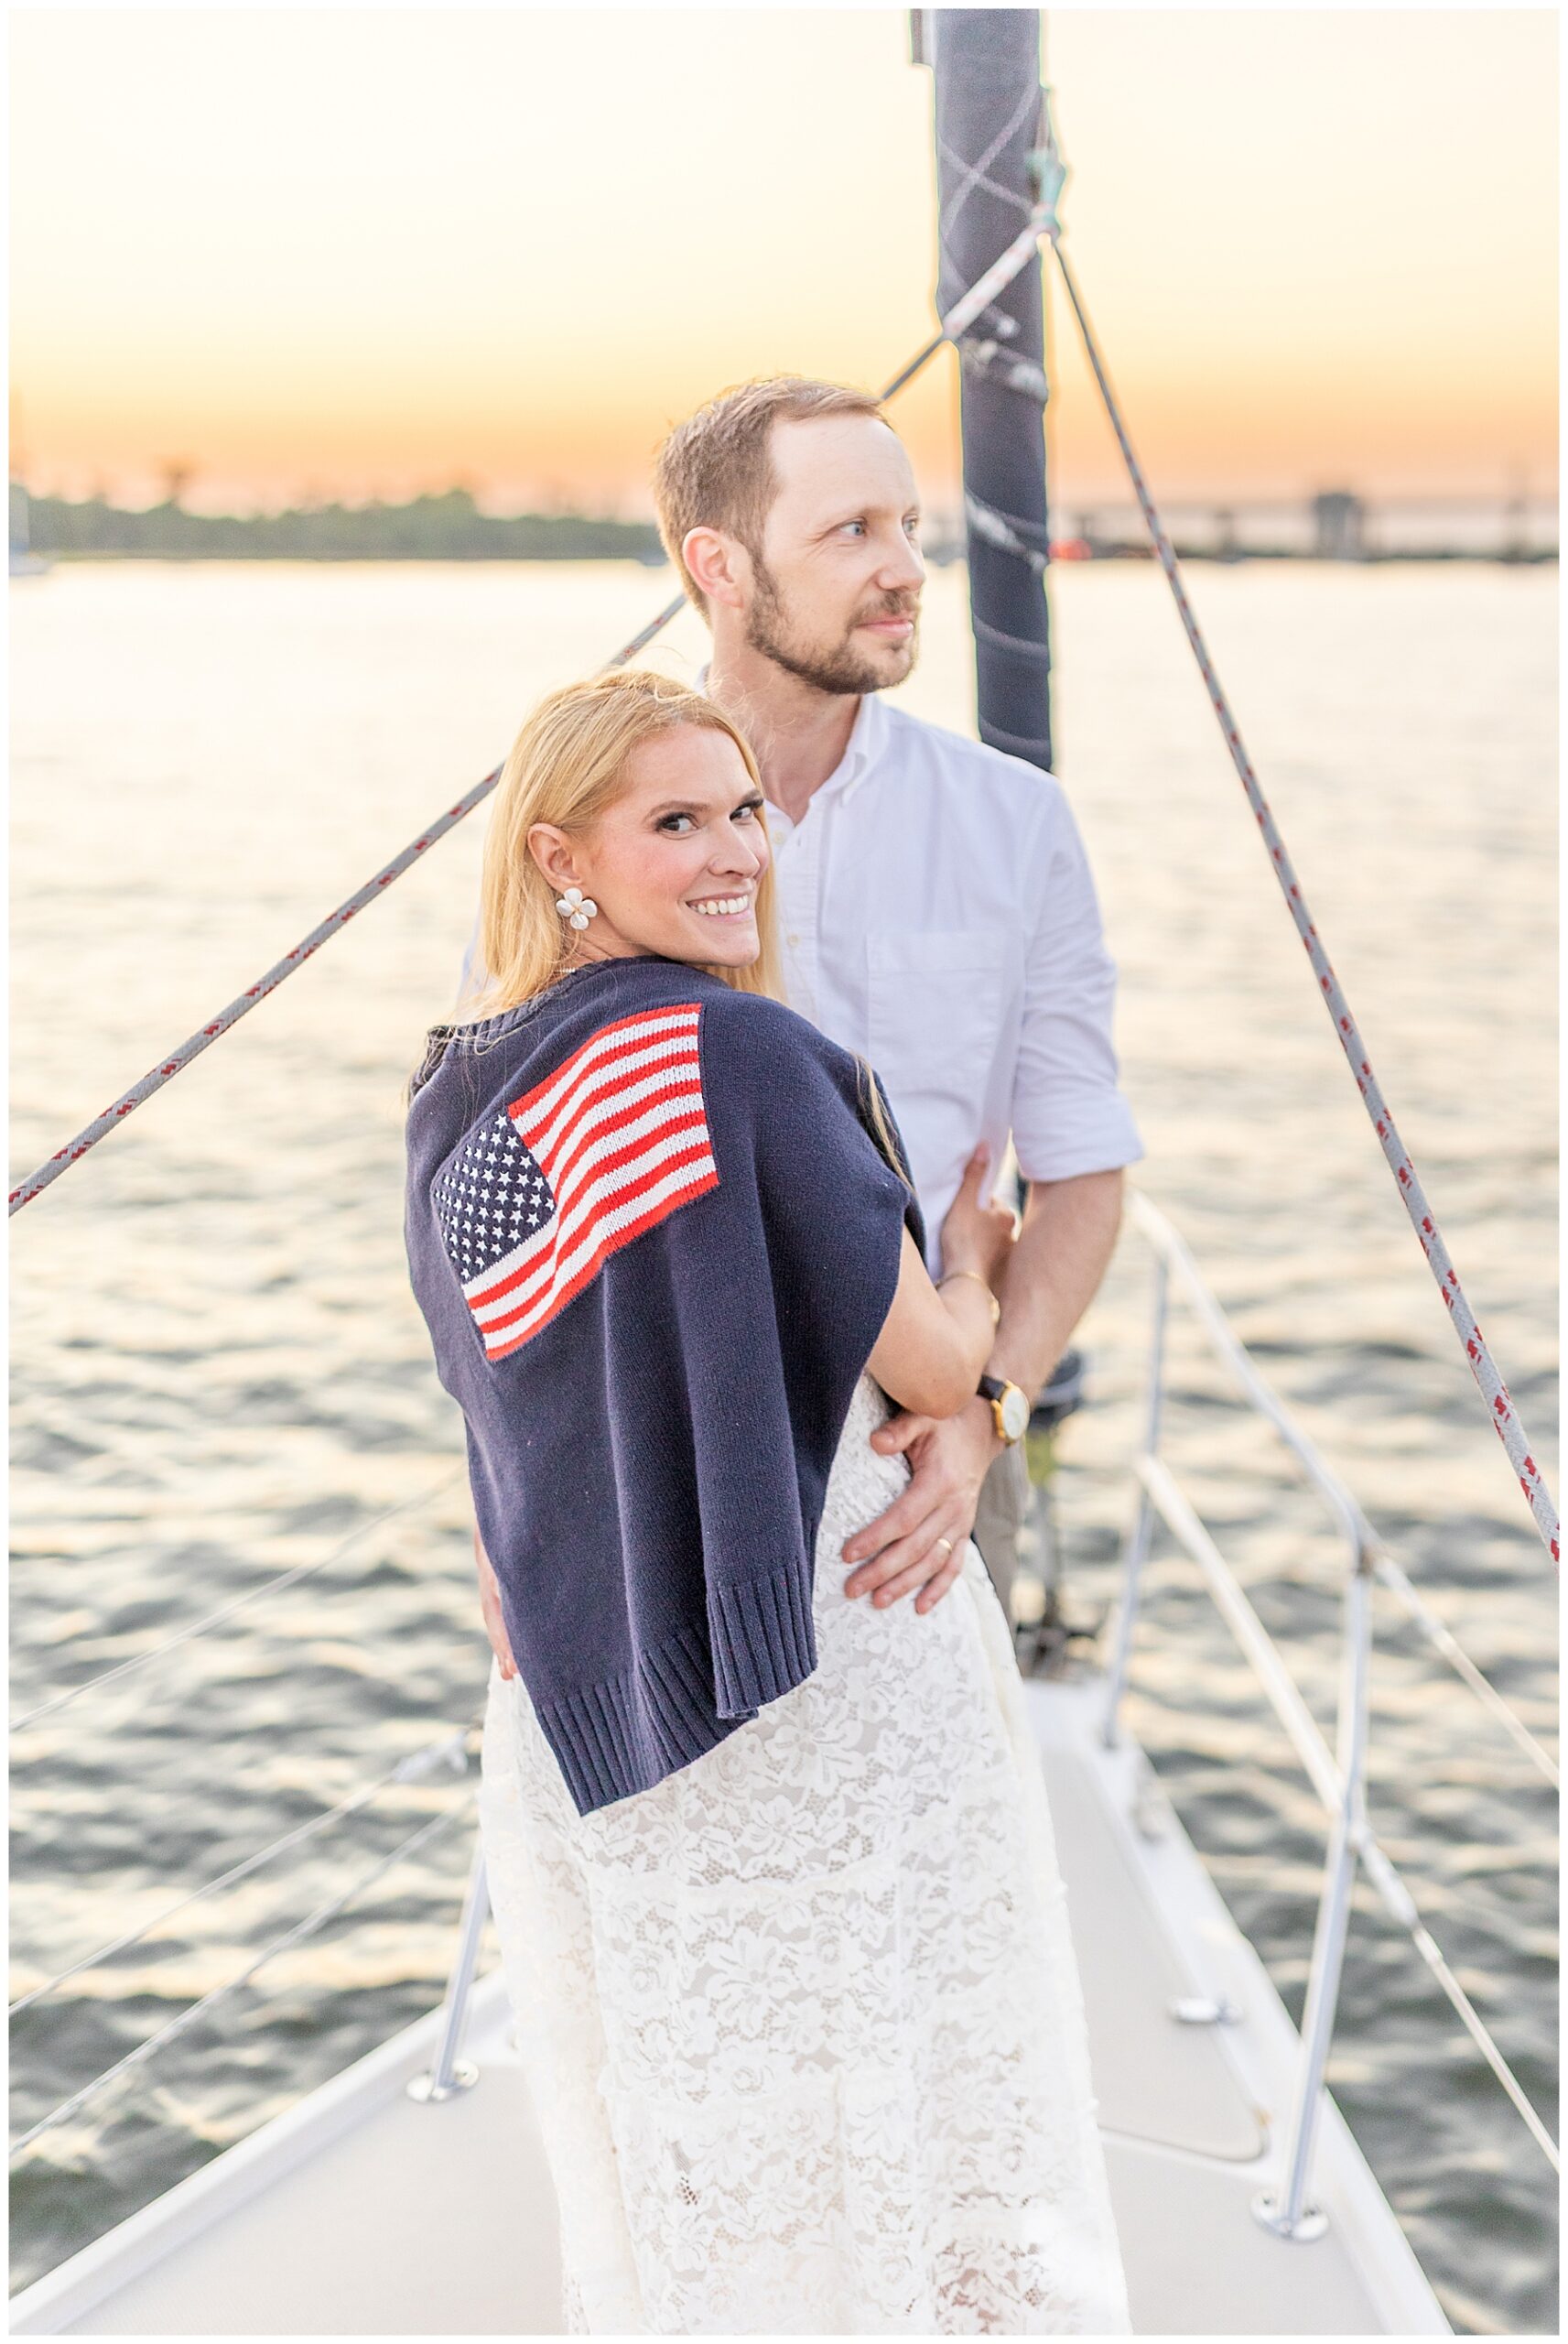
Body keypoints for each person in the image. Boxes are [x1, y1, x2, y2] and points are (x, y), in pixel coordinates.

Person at [408, 667, 1130, 2333]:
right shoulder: (739, 1052)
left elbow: (500, 1397)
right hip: (822, 1637)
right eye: (677, 821)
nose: (737, 851)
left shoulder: (465, 1091)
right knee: (900, 2089)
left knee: (702, 2122)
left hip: (595, 1674)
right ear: (558, 856)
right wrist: (976, 1255)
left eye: (743, 811)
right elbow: (933, 1367)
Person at [650, 376, 1145, 1629]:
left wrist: (990, 1412)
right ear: (719, 565)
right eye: (852, 531)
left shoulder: (1014, 823)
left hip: (928, 1468)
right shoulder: (595, 825)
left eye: (912, 526)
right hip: (656, 1463)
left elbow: (1081, 1167)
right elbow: (491, 1171)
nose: (909, 569)